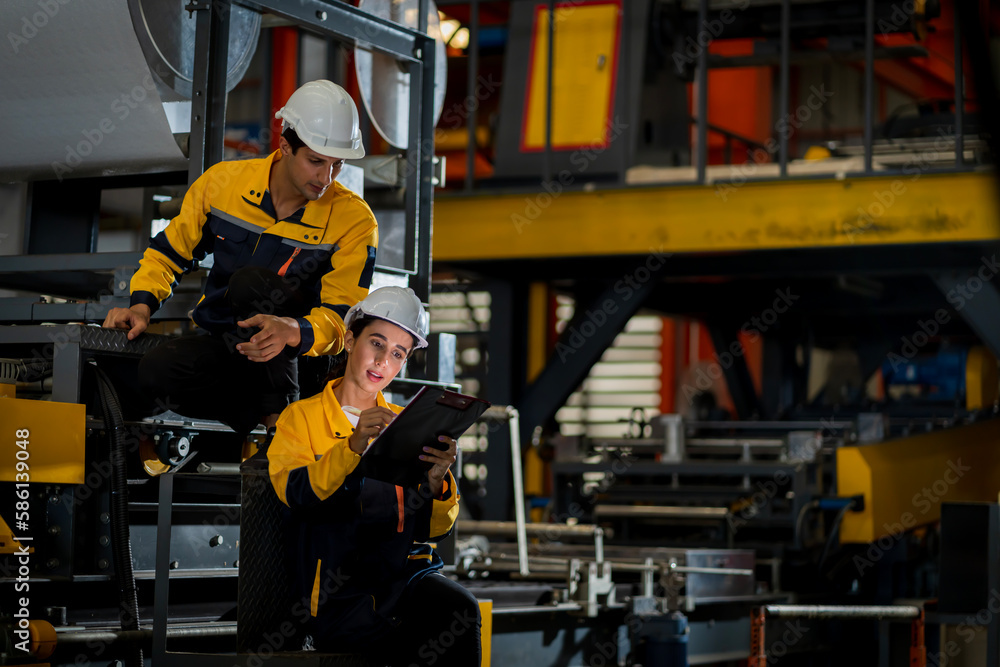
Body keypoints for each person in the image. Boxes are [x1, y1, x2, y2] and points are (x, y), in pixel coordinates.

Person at [102, 80, 377, 435]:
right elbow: (168, 253)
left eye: (337, 165)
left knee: (250, 283)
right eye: (316, 161)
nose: (326, 177)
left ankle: (281, 422)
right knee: (156, 371)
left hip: (303, 361)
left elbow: (343, 317)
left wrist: (293, 330)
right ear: (285, 146)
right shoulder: (222, 185)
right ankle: (260, 421)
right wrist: (141, 305)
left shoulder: (354, 220)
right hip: (234, 349)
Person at [268, 287, 482, 666]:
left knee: (461, 610)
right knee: (413, 634)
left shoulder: (404, 424)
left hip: (399, 578)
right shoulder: (300, 419)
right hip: (339, 591)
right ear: (351, 340)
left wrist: (437, 482)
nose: (383, 360)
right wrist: (352, 447)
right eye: (377, 343)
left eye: (398, 353)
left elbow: (430, 531)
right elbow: (295, 493)